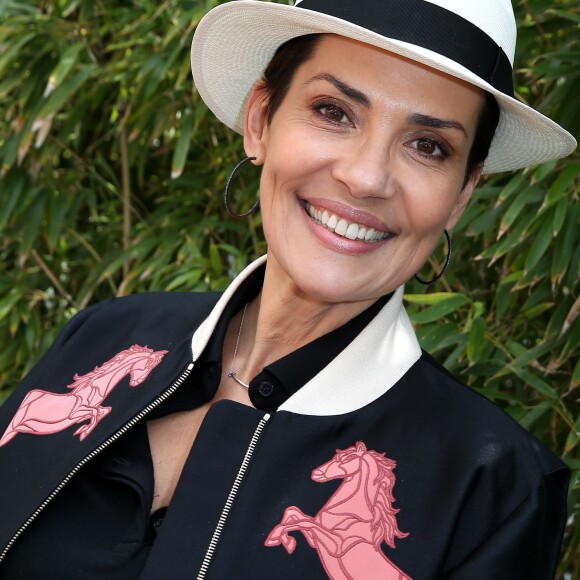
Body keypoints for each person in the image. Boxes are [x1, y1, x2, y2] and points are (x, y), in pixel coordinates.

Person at [0, 0, 576, 578]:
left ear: (461, 195)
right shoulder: (104, 336)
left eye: (428, 146)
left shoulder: (492, 489)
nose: (366, 176)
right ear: (260, 120)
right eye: (334, 111)